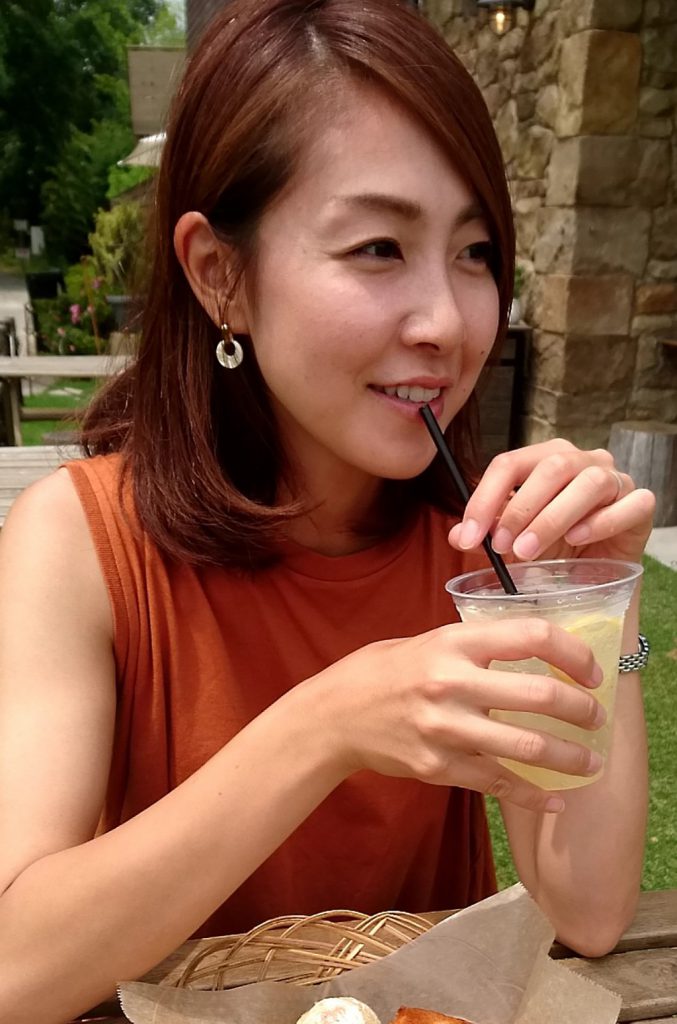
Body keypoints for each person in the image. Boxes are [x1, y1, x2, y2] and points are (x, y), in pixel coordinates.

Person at [0, 1, 655, 1021]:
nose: (447, 322)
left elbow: (591, 908)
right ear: (220, 276)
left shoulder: (475, 551)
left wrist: (597, 593)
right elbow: (13, 967)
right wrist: (325, 726)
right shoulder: (78, 541)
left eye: (475, 252)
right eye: (378, 247)